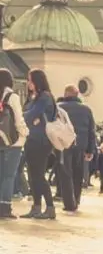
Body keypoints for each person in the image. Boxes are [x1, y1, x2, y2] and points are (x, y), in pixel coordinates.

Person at [21, 69, 57, 219]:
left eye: (30, 80)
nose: (28, 83)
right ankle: (36, 206)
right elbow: (28, 115)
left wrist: (21, 116)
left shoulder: (45, 97)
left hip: (42, 141)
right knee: (32, 174)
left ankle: (50, 207)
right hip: (31, 139)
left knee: (39, 175)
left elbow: (31, 114)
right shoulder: (32, 97)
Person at [58, 85, 96, 211]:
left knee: (66, 173)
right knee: (78, 173)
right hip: (80, 145)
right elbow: (92, 131)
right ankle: (76, 199)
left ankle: (69, 202)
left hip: (64, 144)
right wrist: (90, 150)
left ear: (66, 94)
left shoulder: (59, 107)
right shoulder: (86, 109)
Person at [0, 69, 29, 219]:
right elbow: (19, 119)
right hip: (13, 141)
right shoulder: (12, 97)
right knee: (9, 176)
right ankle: (5, 207)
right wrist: (25, 133)